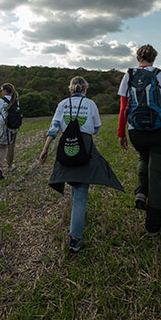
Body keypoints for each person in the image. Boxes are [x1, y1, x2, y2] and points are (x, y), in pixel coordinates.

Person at [39, 77, 124, 252]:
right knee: (80, 194)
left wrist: (45, 149)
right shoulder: (91, 104)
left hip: (66, 145)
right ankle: (75, 239)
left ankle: (75, 227)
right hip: (84, 147)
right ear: (85, 90)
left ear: (70, 90)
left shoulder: (62, 104)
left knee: (74, 186)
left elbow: (54, 128)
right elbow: (96, 128)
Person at [117, 44, 161, 238]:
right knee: (158, 178)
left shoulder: (128, 75)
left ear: (138, 57)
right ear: (154, 58)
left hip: (136, 131)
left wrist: (121, 132)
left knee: (143, 158)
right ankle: (153, 228)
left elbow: (123, 108)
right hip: (160, 131)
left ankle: (141, 191)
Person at [0, 83, 20, 180]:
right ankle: (10, 166)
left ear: (5, 91)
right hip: (13, 126)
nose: (1, 92)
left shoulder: (1, 101)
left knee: (1, 146)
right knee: (11, 146)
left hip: (3, 124)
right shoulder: (16, 100)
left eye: (1, 90)